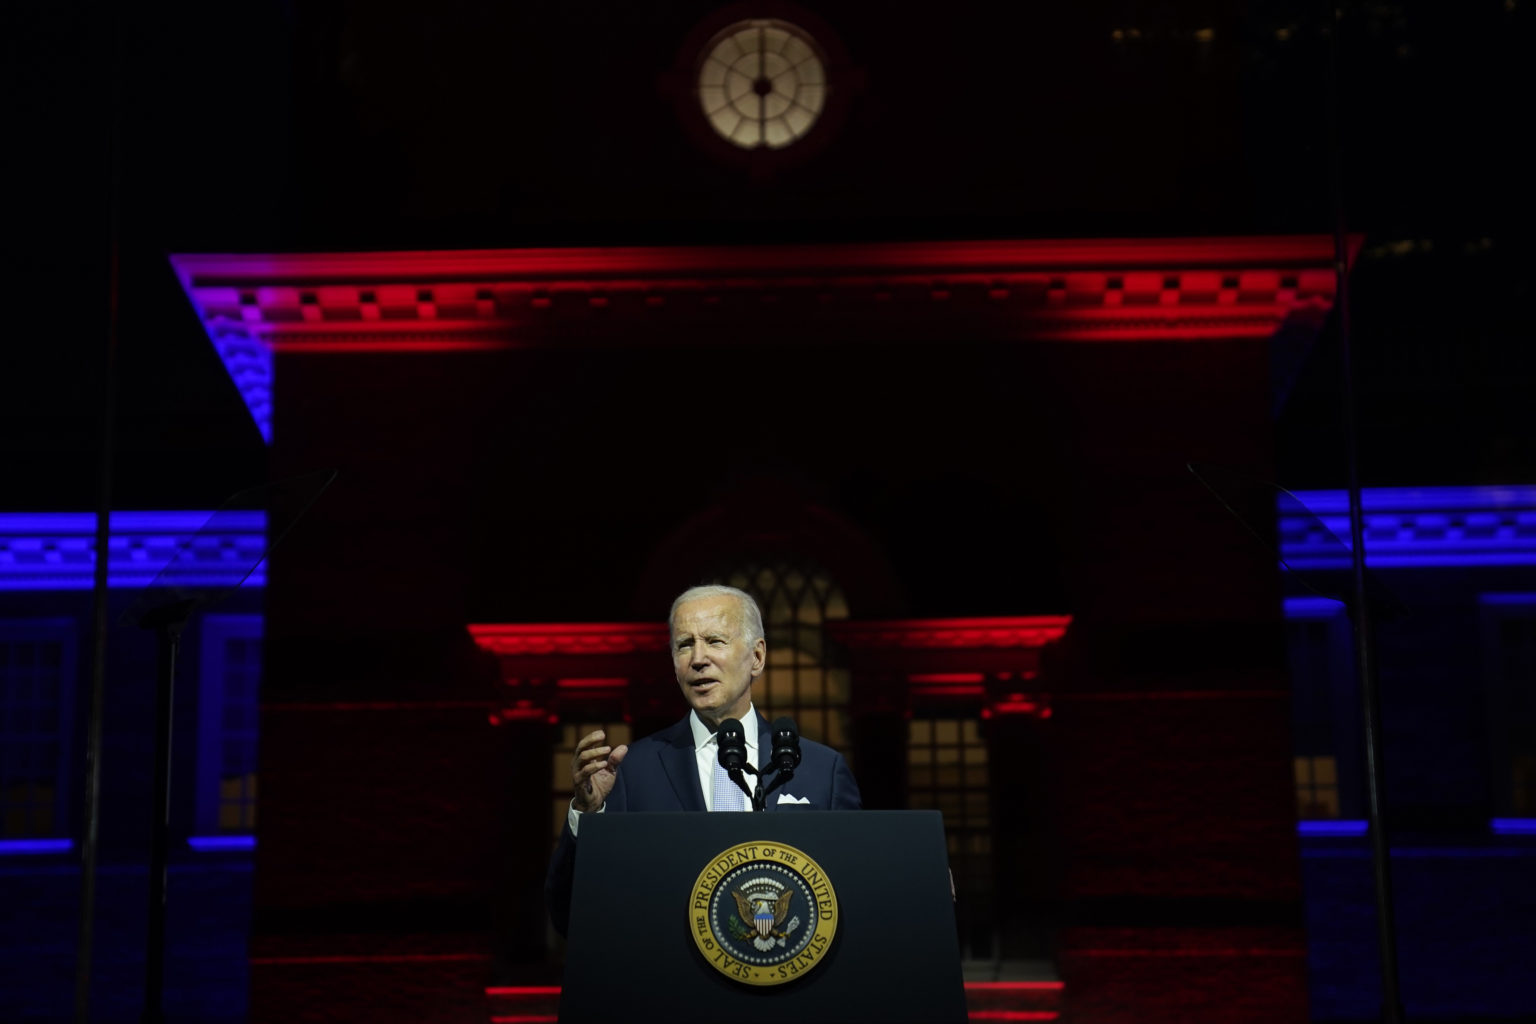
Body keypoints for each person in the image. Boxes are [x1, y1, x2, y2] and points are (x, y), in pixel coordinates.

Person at [544, 584, 862, 935]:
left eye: (714, 641)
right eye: (684, 645)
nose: (698, 659)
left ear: (757, 657)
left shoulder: (821, 771)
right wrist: (586, 817)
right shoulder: (632, 772)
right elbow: (570, 916)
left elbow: (855, 900)